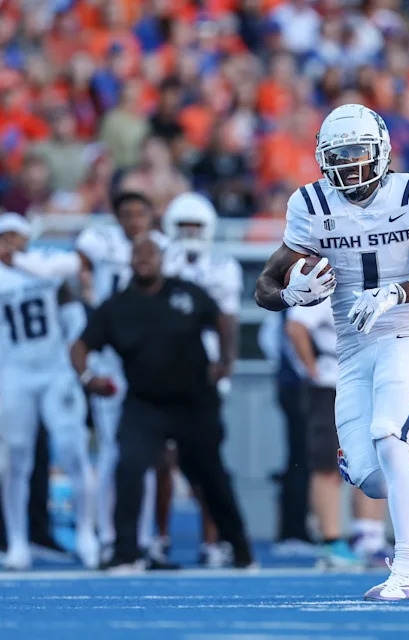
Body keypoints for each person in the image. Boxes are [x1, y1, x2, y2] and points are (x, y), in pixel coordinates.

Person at [254, 104, 409, 600]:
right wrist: (291, 296)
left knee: (387, 435)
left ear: (381, 151)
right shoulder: (310, 204)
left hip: (404, 331)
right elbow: (264, 285)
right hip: (351, 350)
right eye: (338, 155)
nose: (349, 165)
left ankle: (408, 572)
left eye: (357, 152)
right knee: (372, 479)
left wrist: (399, 292)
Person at [70, 235, 253, 571]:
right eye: (137, 255)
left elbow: (222, 319)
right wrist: (88, 379)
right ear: (129, 262)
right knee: (129, 469)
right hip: (145, 403)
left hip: (194, 401)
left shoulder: (185, 292)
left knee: (210, 475)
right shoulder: (117, 306)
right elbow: (80, 346)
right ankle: (126, 551)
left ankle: (238, 547)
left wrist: (226, 361)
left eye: (150, 254)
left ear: (161, 260)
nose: (143, 260)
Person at [0, 213, 98, 570]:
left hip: (56, 371)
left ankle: (87, 535)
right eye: (3, 236)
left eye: (15, 235)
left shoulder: (47, 265)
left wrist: (79, 364)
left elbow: (75, 316)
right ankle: (17, 542)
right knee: (15, 460)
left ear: (27, 237)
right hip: (14, 373)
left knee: (73, 451)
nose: (9, 242)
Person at [74, 191, 167, 562]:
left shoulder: (162, 247)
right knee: (114, 451)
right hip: (111, 356)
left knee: (144, 454)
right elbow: (77, 261)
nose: (134, 221)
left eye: (139, 213)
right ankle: (111, 536)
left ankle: (140, 538)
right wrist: (87, 291)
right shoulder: (100, 241)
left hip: (146, 359)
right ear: (117, 217)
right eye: (126, 213)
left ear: (150, 216)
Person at [157, 192, 244, 567]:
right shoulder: (159, 259)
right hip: (162, 370)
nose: (190, 233)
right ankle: (158, 539)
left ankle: (212, 540)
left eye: (196, 226)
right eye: (184, 227)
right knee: (162, 461)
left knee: (205, 461)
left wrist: (225, 366)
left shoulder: (224, 265)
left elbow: (229, 320)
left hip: (203, 372)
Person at [284, 299, 362, 568]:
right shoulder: (322, 287)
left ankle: (368, 536)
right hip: (331, 385)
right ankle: (331, 540)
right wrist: (313, 370)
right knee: (328, 463)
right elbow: (295, 327)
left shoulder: (373, 280)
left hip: (365, 383)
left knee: (374, 459)